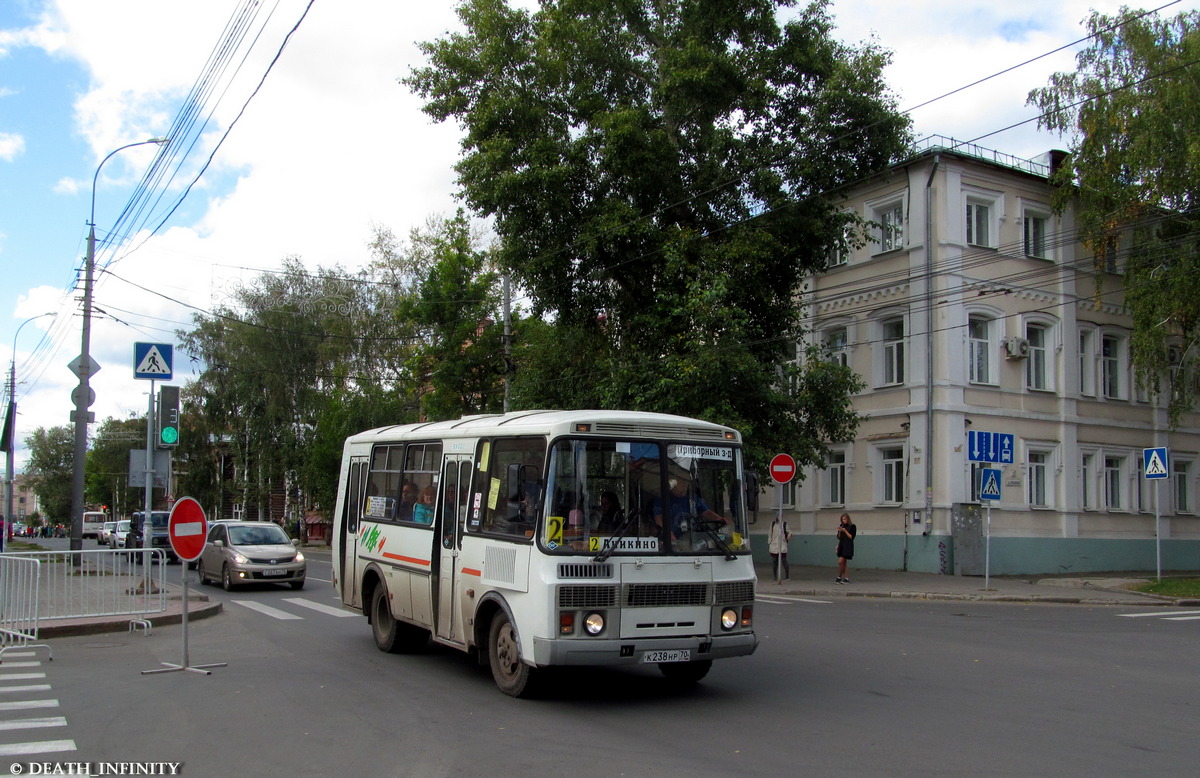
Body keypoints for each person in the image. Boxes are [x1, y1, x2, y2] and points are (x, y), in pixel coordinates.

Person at [653, 476, 727, 540]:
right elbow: (658, 518)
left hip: (693, 539)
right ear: (674, 483)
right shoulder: (662, 498)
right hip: (671, 542)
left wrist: (719, 519)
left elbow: (706, 512)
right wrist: (668, 534)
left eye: (686, 481)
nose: (684, 484)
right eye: (681, 481)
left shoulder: (693, 498)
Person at [768, 515, 792, 582]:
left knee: (784, 560)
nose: (779, 518)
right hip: (774, 545)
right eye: (778, 516)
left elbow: (789, 532)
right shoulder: (773, 524)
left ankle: (787, 576)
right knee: (775, 560)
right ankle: (774, 576)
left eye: (780, 516)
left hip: (782, 544)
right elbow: (770, 533)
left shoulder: (784, 524)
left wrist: (789, 536)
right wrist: (770, 542)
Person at [835, 512, 856, 584]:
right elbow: (838, 537)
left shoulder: (852, 526)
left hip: (848, 545)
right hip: (842, 544)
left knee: (841, 561)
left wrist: (845, 531)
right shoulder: (842, 525)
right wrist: (839, 531)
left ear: (848, 519)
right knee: (844, 563)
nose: (844, 521)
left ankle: (839, 576)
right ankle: (845, 578)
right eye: (842, 519)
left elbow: (851, 537)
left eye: (845, 519)